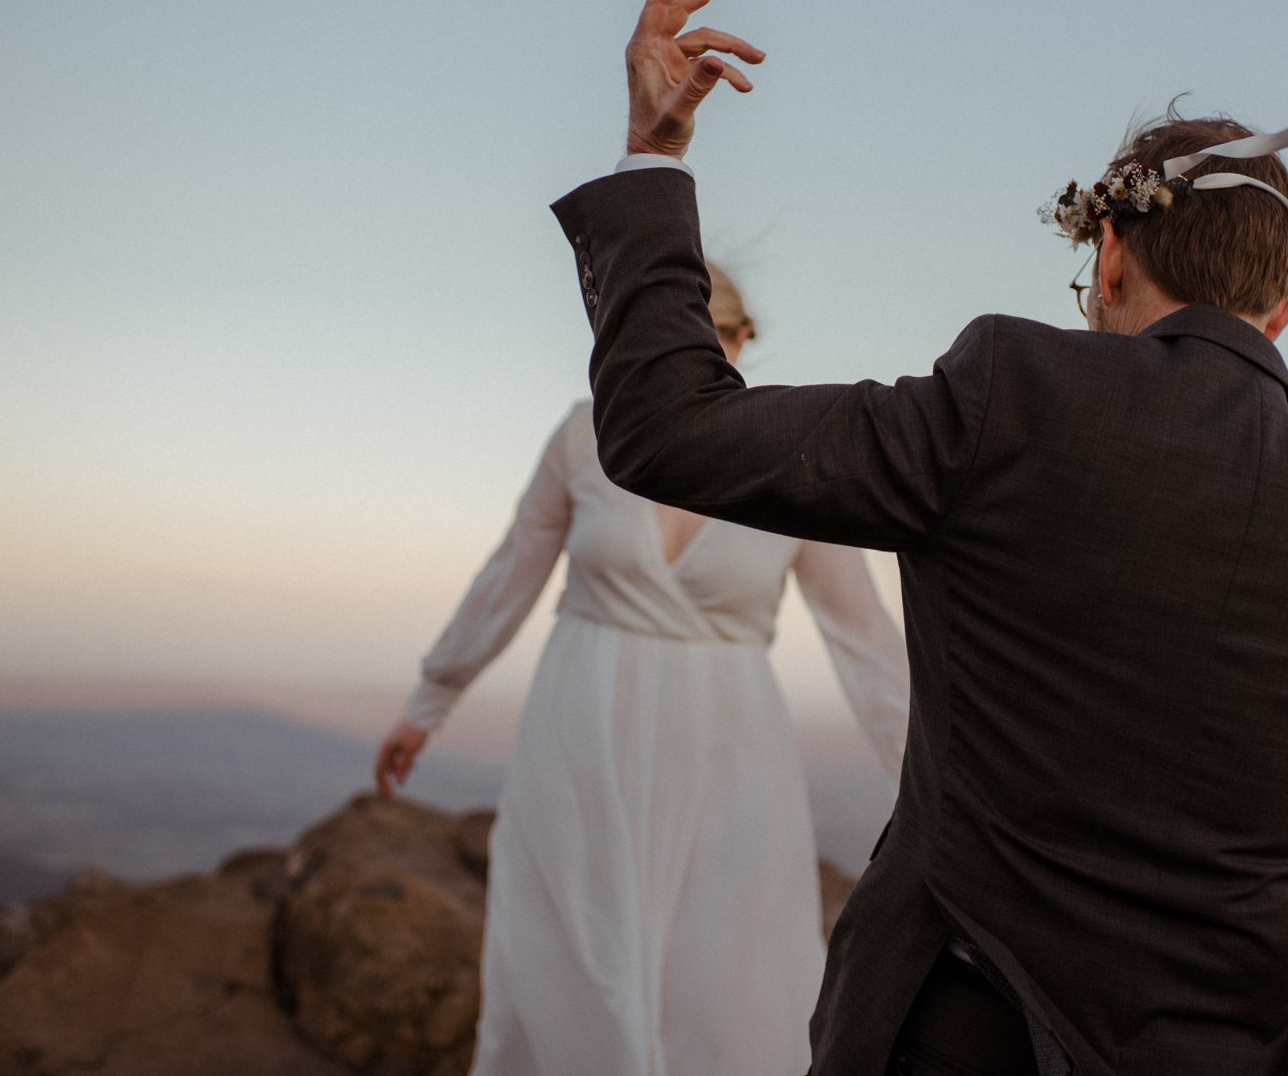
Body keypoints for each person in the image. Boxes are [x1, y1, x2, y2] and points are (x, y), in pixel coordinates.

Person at [544, 0, 1288, 1076]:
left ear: (1106, 256)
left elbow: (665, 429)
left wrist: (652, 154)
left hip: (959, 1035)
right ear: (1282, 302)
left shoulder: (1010, 399)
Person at [371, 261, 911, 1076]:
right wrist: (431, 698)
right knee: (570, 968)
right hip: (582, 739)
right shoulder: (583, 436)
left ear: (731, 340)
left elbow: (866, 637)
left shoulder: (794, 446)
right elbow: (507, 575)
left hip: (730, 756)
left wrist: (943, 782)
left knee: (725, 985)